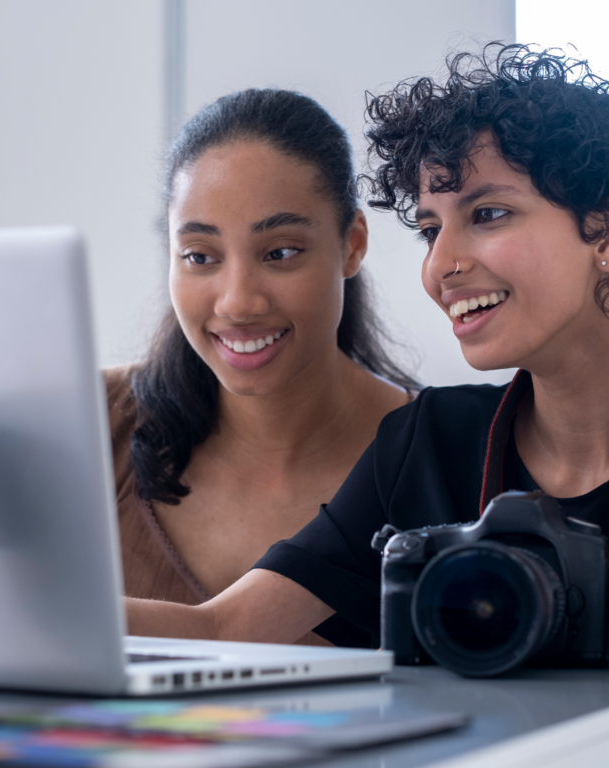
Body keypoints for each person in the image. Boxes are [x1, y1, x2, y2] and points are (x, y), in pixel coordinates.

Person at [125, 46, 609, 767]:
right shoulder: (429, 439)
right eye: (433, 228)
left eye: (489, 214)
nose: (441, 266)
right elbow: (225, 630)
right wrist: (16, 617)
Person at [108, 89, 414, 646]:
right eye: (200, 256)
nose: (237, 303)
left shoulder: (444, 456)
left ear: (352, 244)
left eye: (280, 253)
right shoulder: (88, 423)